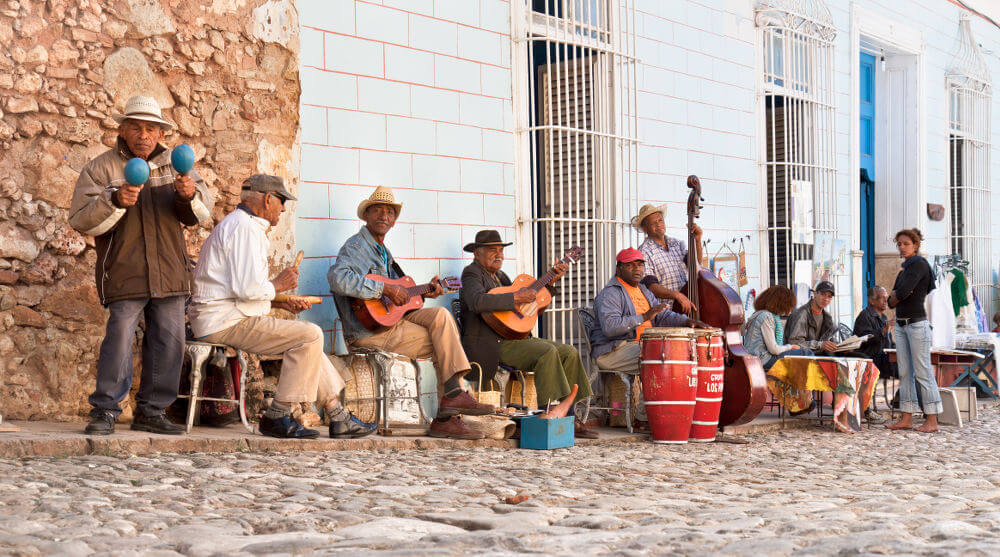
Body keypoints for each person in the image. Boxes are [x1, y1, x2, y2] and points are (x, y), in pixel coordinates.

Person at [68, 95, 214, 436]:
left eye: (151, 128)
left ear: (160, 132)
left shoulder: (178, 167)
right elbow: (80, 219)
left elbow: (201, 214)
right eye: (135, 126)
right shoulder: (101, 168)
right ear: (123, 129)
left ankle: (152, 410)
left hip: (170, 271)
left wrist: (189, 194)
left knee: (170, 341)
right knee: (118, 340)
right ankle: (105, 410)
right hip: (125, 270)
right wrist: (114, 200)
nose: (143, 135)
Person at [189, 175, 376, 440]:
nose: (284, 209)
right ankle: (278, 415)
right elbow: (247, 289)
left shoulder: (241, 225)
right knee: (310, 335)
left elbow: (238, 289)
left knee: (308, 341)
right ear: (267, 199)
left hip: (224, 316)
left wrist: (282, 301)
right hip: (223, 321)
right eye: (282, 202)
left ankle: (338, 415)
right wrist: (278, 285)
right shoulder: (245, 228)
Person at [328, 186, 493, 440]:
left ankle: (451, 399)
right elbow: (338, 279)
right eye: (378, 211)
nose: (384, 216)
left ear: (394, 220)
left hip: (389, 324)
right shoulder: (357, 246)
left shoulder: (383, 251)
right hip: (368, 331)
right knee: (443, 343)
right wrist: (383, 287)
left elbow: (400, 299)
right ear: (366, 215)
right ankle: (447, 413)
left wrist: (426, 291)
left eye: (389, 212)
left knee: (441, 317)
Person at [459, 229, 598, 439]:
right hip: (493, 343)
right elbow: (477, 302)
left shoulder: (502, 277)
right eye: (491, 250)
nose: (498, 254)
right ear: (477, 253)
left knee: (569, 352)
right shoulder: (472, 274)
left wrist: (550, 284)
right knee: (547, 352)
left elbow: (531, 303)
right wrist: (515, 297)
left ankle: (570, 414)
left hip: (516, 337)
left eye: (500, 250)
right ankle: (549, 413)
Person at [590, 248, 706, 372]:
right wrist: (644, 317)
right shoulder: (610, 293)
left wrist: (687, 321)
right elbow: (610, 327)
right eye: (630, 265)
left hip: (639, 346)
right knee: (662, 356)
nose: (637, 269)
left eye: (640, 265)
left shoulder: (643, 289)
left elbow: (663, 315)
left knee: (684, 351)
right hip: (613, 351)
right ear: (619, 269)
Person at [886, 228, 942, 433]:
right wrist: (896, 296)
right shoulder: (905, 268)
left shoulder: (918, 264)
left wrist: (896, 296)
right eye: (899, 244)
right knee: (905, 372)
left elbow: (900, 292)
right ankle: (906, 417)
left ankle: (932, 419)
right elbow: (892, 299)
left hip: (917, 324)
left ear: (916, 245)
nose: (901, 247)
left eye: (906, 244)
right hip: (901, 324)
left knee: (923, 372)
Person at [632, 204, 703, 315]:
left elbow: (695, 264)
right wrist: (677, 295)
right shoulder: (644, 252)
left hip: (688, 306)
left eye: (660, 220)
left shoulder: (677, 243)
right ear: (645, 229)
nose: (658, 224)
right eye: (653, 223)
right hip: (666, 313)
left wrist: (697, 241)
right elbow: (650, 286)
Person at [742, 285, 813, 370]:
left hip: (758, 359)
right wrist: (790, 347)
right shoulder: (766, 316)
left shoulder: (759, 314)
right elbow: (774, 349)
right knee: (807, 354)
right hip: (762, 360)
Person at [853, 286, 894, 423]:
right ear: (872, 300)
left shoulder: (884, 317)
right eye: (882, 298)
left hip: (883, 357)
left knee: (909, 366)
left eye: (886, 298)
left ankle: (903, 401)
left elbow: (889, 343)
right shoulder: (864, 316)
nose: (886, 301)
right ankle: (866, 409)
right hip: (869, 357)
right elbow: (865, 339)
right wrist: (883, 331)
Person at [785, 281, 839, 355]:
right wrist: (820, 345)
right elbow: (795, 343)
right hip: (800, 359)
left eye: (829, 296)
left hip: (818, 357)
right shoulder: (801, 315)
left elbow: (830, 339)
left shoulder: (827, 318)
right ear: (815, 294)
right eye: (823, 294)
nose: (826, 299)